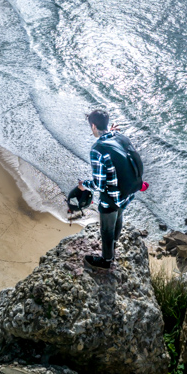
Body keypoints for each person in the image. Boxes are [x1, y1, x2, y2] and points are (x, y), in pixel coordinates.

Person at [78, 109, 143, 271]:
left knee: (106, 228)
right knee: (119, 215)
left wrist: (83, 184)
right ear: (106, 125)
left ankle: (106, 260)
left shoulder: (97, 150)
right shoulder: (120, 136)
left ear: (93, 126)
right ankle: (114, 244)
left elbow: (99, 185)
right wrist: (112, 132)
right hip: (127, 191)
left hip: (112, 197)